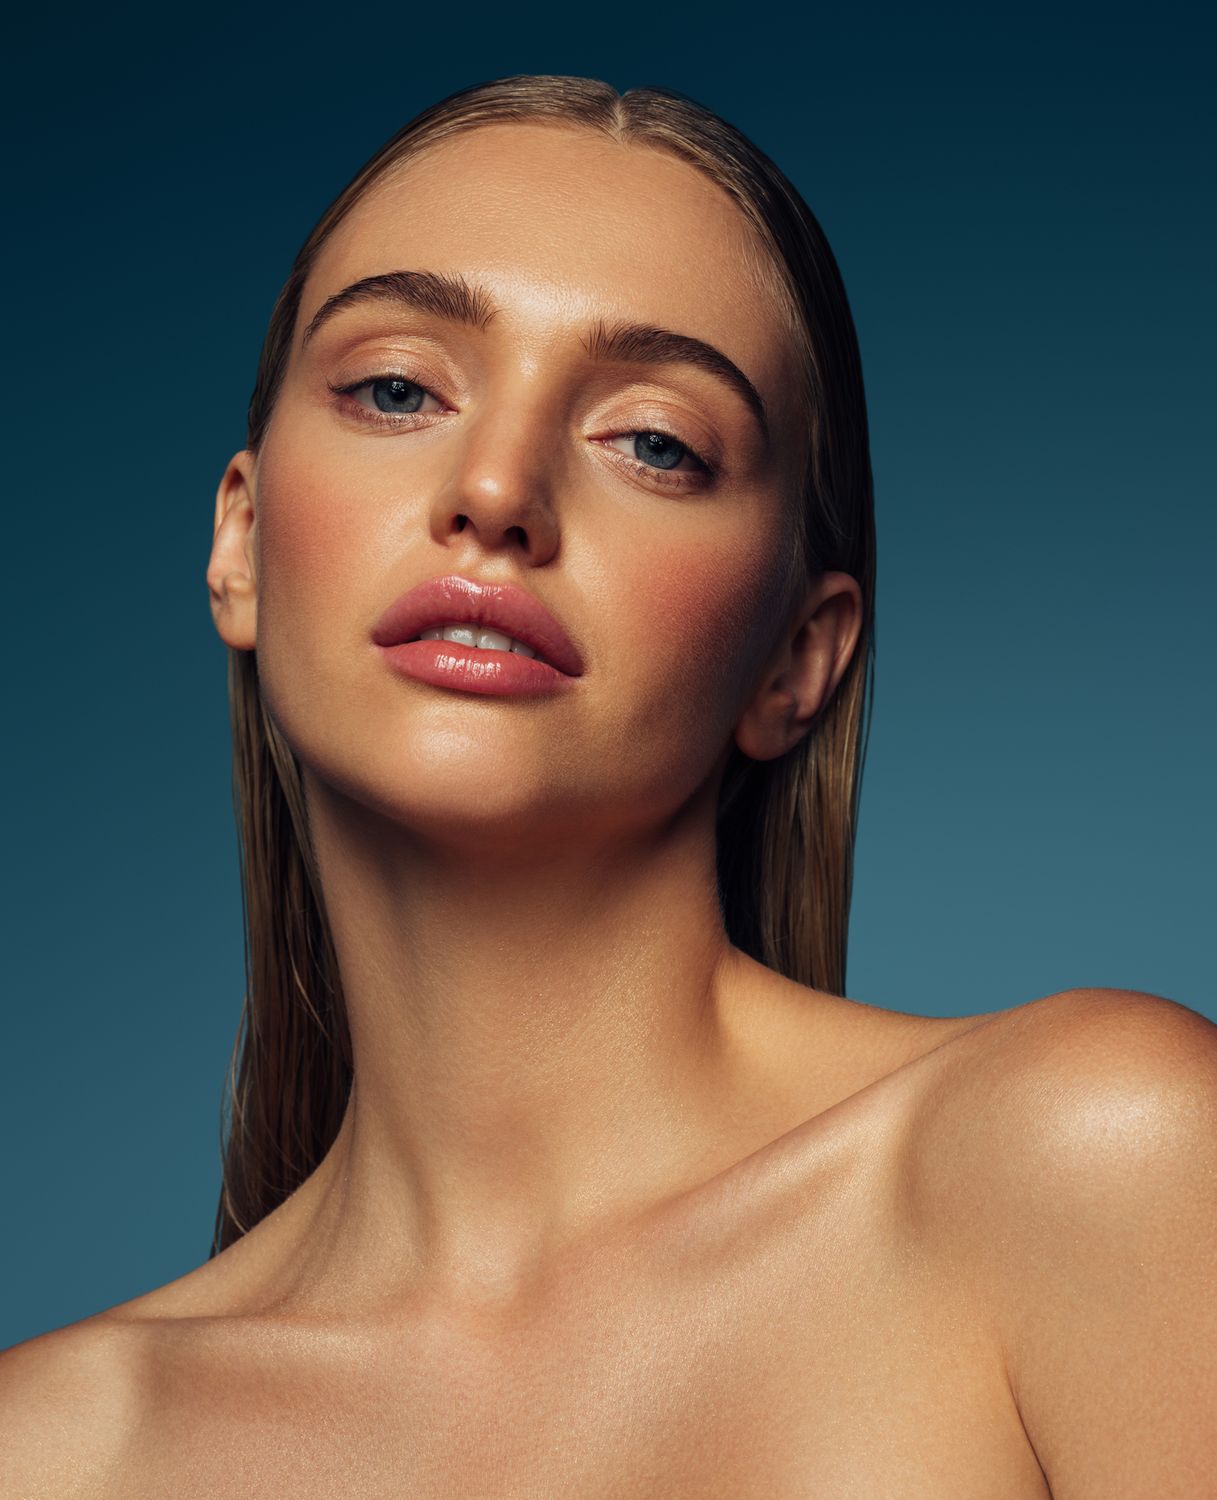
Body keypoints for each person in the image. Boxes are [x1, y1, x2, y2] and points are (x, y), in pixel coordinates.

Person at [2, 73, 1214, 1497]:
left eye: (654, 441)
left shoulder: (1094, 1165)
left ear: (797, 659)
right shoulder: (53, 1450)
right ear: (241, 544)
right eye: (396, 387)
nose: (498, 489)